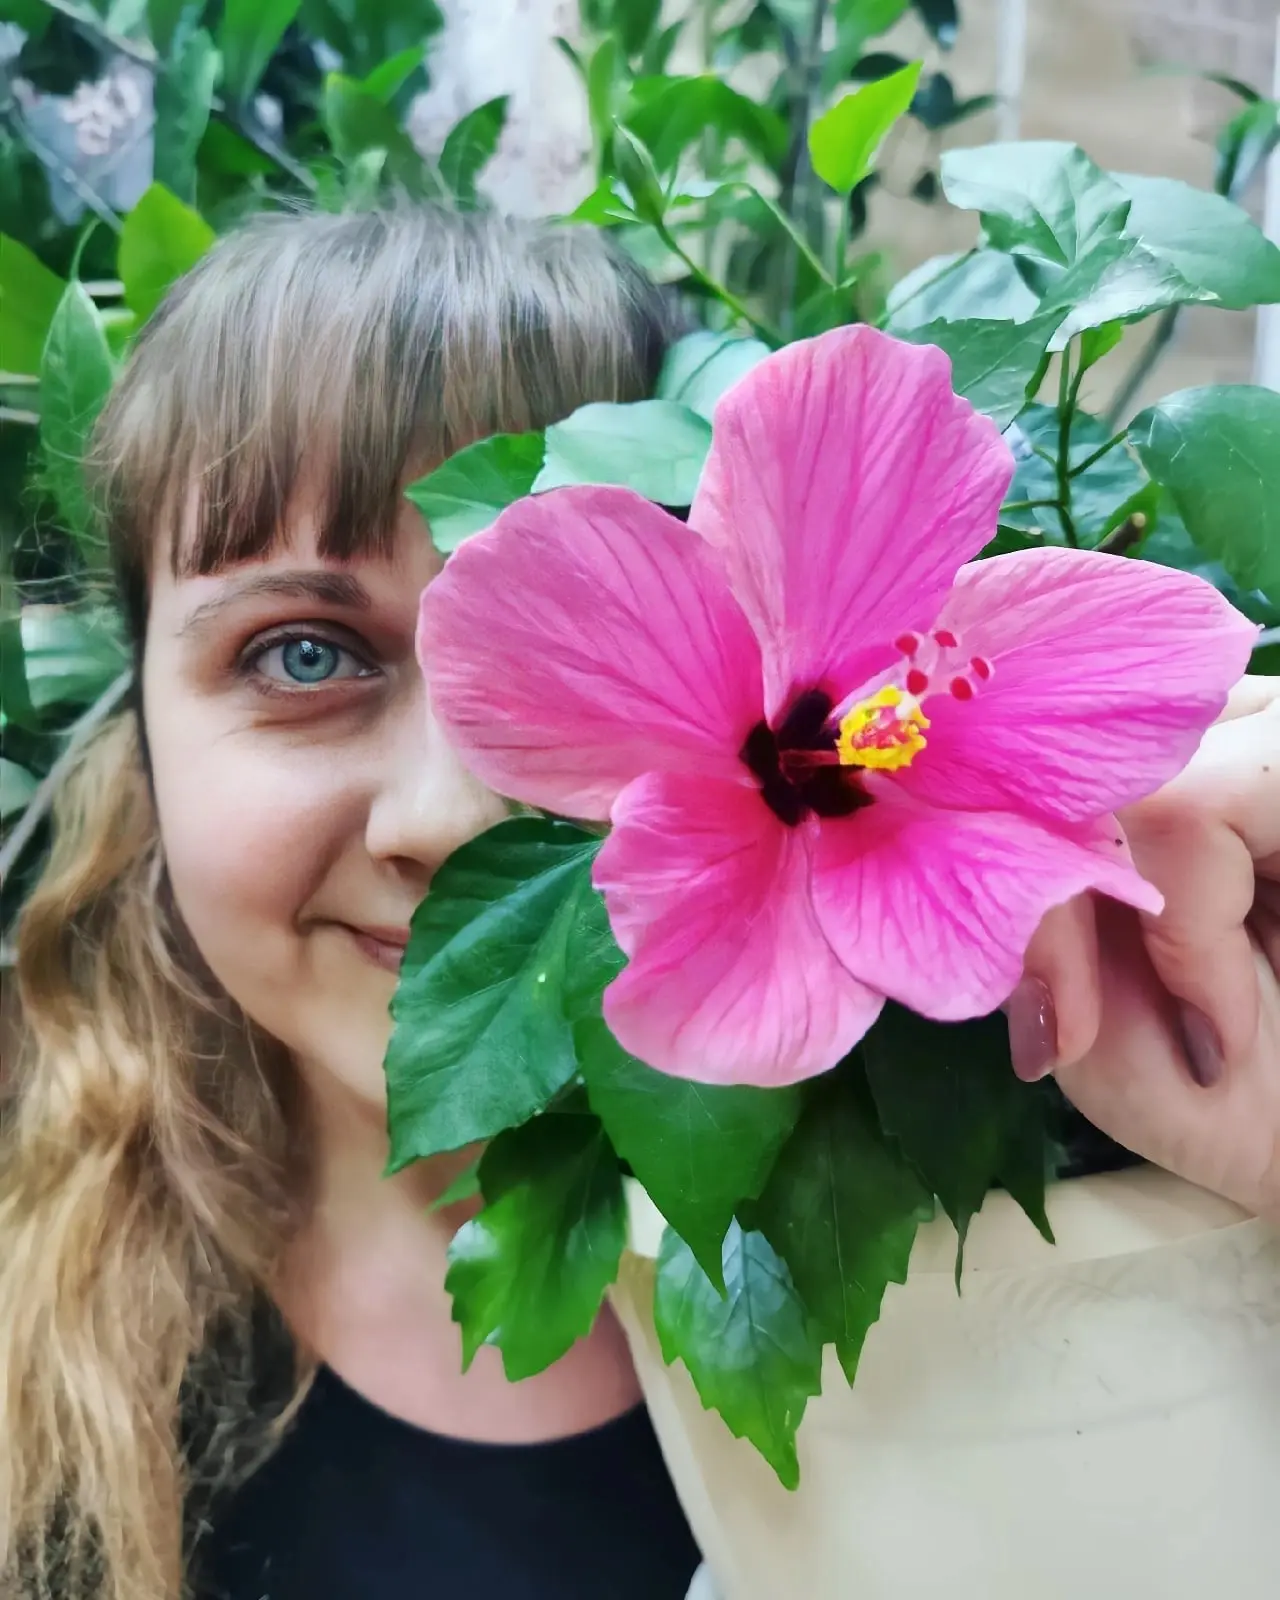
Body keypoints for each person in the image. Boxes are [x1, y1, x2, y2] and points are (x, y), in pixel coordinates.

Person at [0, 202, 1276, 1600]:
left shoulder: (1053, 1274)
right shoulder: (33, 1347)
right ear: (142, 725)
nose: (448, 818)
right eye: (302, 654)